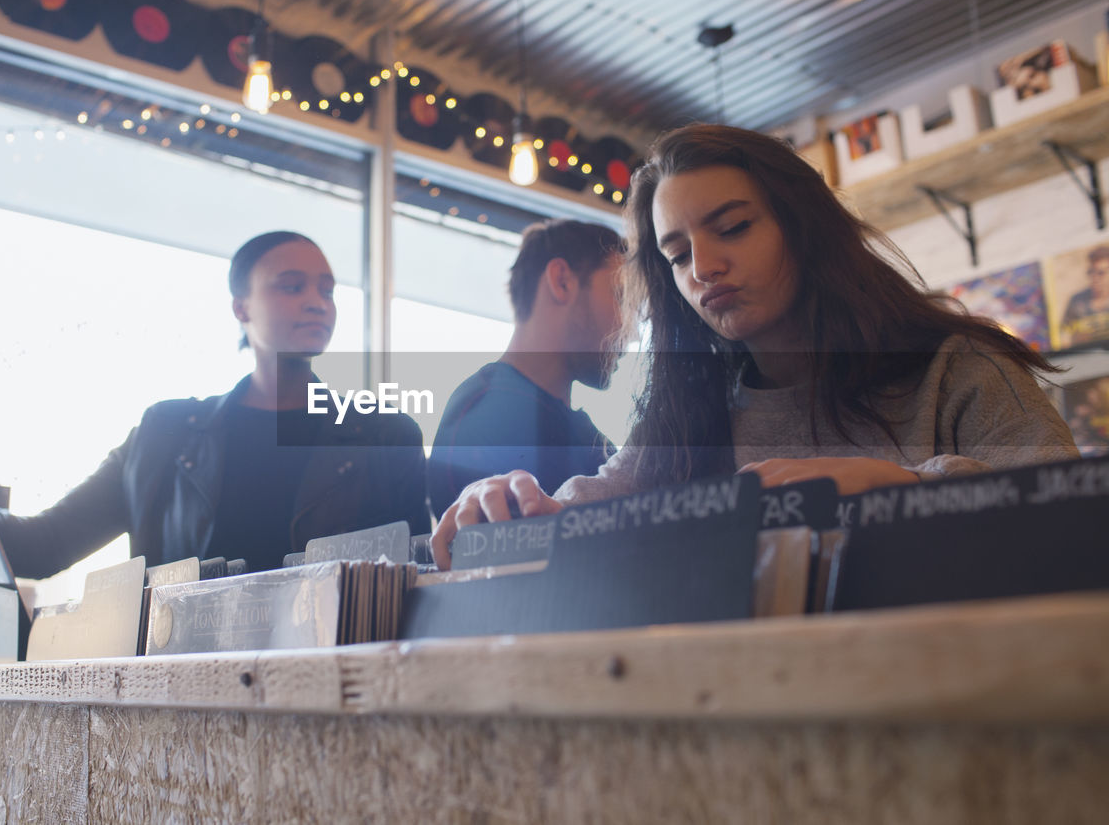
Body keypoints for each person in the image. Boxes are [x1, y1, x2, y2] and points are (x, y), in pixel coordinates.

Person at [430, 124, 1078, 569]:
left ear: (805, 230)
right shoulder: (690, 410)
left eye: (733, 228)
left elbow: (1073, 519)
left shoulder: (959, 370)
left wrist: (898, 486)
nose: (703, 268)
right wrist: (515, 506)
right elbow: (600, 497)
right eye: (677, 255)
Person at [0, 231, 429, 577]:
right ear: (241, 307)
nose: (317, 303)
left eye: (327, 290)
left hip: (330, 697)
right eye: (291, 286)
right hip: (181, 706)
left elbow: (416, 579)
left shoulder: (384, 435)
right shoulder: (165, 434)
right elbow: (45, 545)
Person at [425, 219, 624, 517]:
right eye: (621, 296)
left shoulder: (586, 434)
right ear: (562, 282)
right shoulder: (487, 413)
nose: (630, 329)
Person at [1060, 245, 1109, 347]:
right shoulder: (1076, 301)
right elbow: (1063, 335)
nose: (1094, 278)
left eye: (1101, 273)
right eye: (1091, 272)